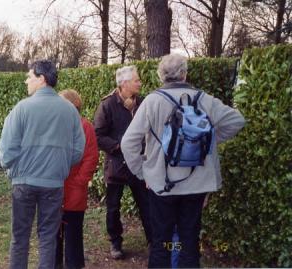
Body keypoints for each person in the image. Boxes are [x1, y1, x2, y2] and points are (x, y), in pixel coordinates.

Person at [120, 54, 245, 268]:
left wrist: (143, 173)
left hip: (162, 184)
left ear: (161, 77)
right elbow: (237, 120)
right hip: (196, 183)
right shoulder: (204, 99)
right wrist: (208, 141)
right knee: (189, 241)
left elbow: (128, 142)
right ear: (185, 73)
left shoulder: (152, 101)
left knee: (162, 242)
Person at [0, 60, 86, 269]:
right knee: (48, 239)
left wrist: (12, 170)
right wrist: (59, 166)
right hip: (54, 184)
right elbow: (78, 151)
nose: (26, 80)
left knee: (20, 238)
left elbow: (7, 150)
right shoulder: (70, 111)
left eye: (29, 76)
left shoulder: (21, 108)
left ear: (41, 79)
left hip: (24, 183)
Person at [93, 65, 151, 259]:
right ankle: (115, 244)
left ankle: (154, 241)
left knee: (147, 205)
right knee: (113, 208)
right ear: (124, 84)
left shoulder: (143, 103)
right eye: (136, 80)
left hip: (139, 165)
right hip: (116, 165)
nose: (140, 83)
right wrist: (120, 147)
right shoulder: (107, 105)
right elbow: (98, 135)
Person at [55, 89, 99, 269]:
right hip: (55, 187)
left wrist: (80, 181)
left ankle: (74, 265)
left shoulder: (84, 126)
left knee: (73, 232)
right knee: (53, 233)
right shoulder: (55, 125)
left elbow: (91, 157)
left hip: (74, 189)